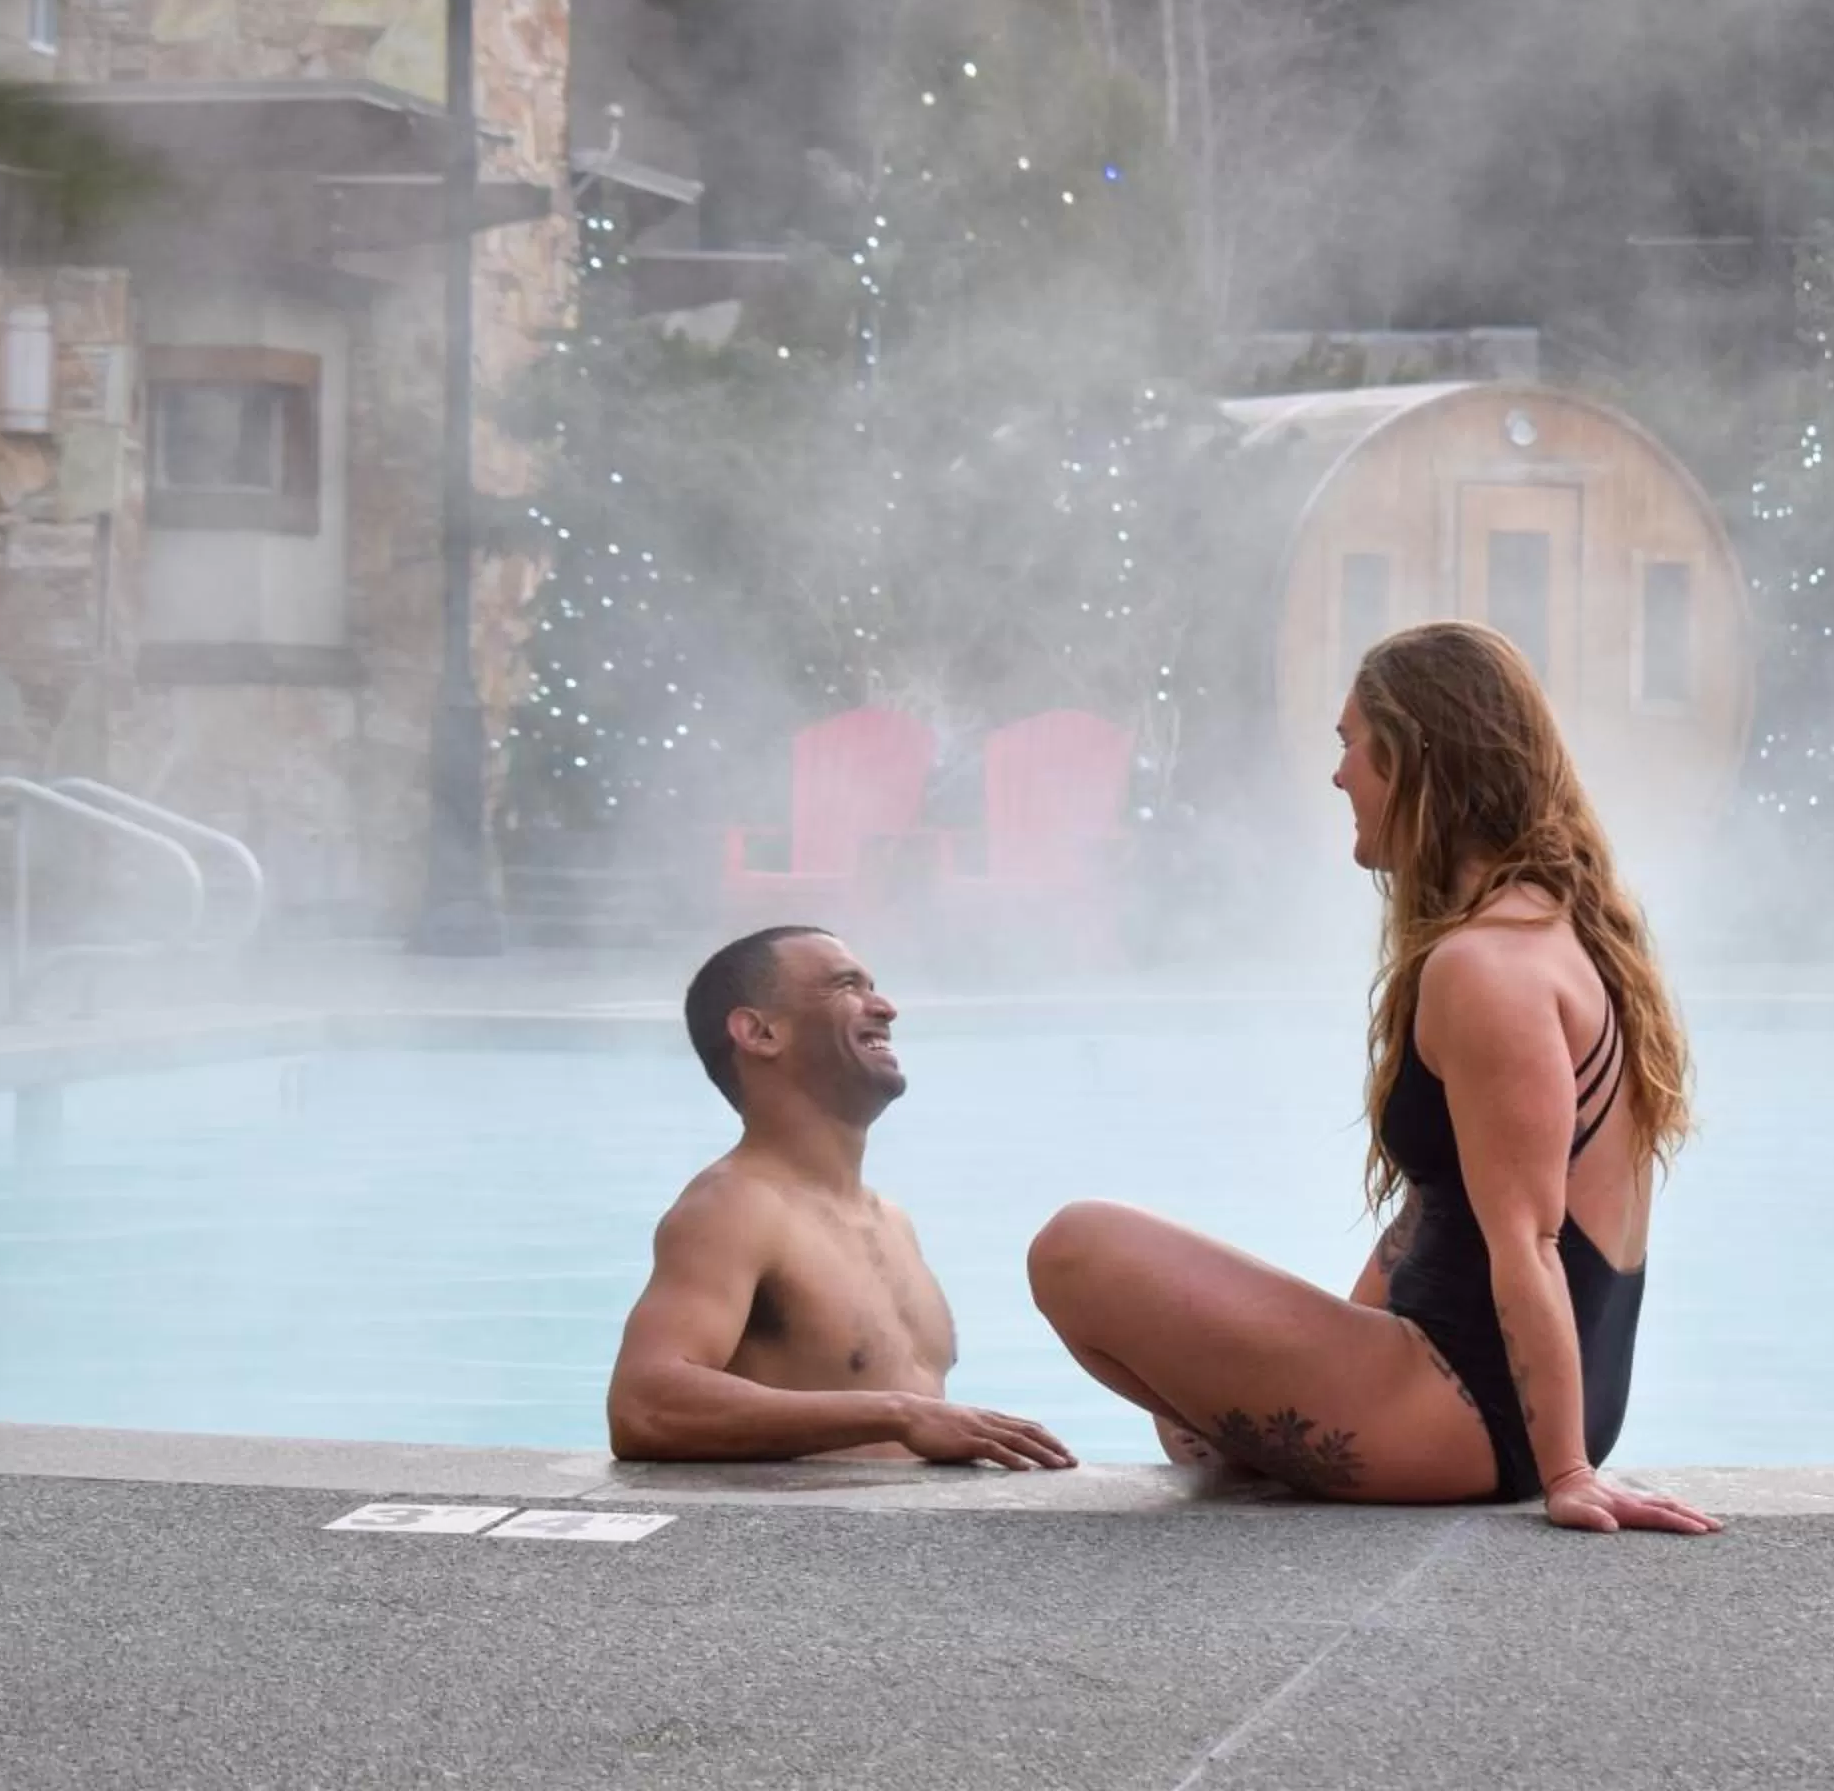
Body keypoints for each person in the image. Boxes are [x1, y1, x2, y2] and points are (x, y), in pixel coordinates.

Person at [1027, 622, 1719, 1533]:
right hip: (1494, 1403)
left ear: (1416, 758)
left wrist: (1568, 1474)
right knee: (1178, 1401)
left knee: (1076, 1249)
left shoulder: (1487, 967)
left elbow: (1530, 1245)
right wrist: (1324, 1343)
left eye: (1351, 744)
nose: (1339, 774)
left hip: (1475, 1414)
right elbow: (1441, 1210)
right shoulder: (1552, 927)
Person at [606, 925, 1075, 1471]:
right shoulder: (734, 1207)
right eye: (846, 986)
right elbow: (643, 1406)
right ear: (759, 1032)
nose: (886, 1007)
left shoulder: (892, 1220)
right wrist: (899, 1414)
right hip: (806, 1548)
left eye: (873, 985)